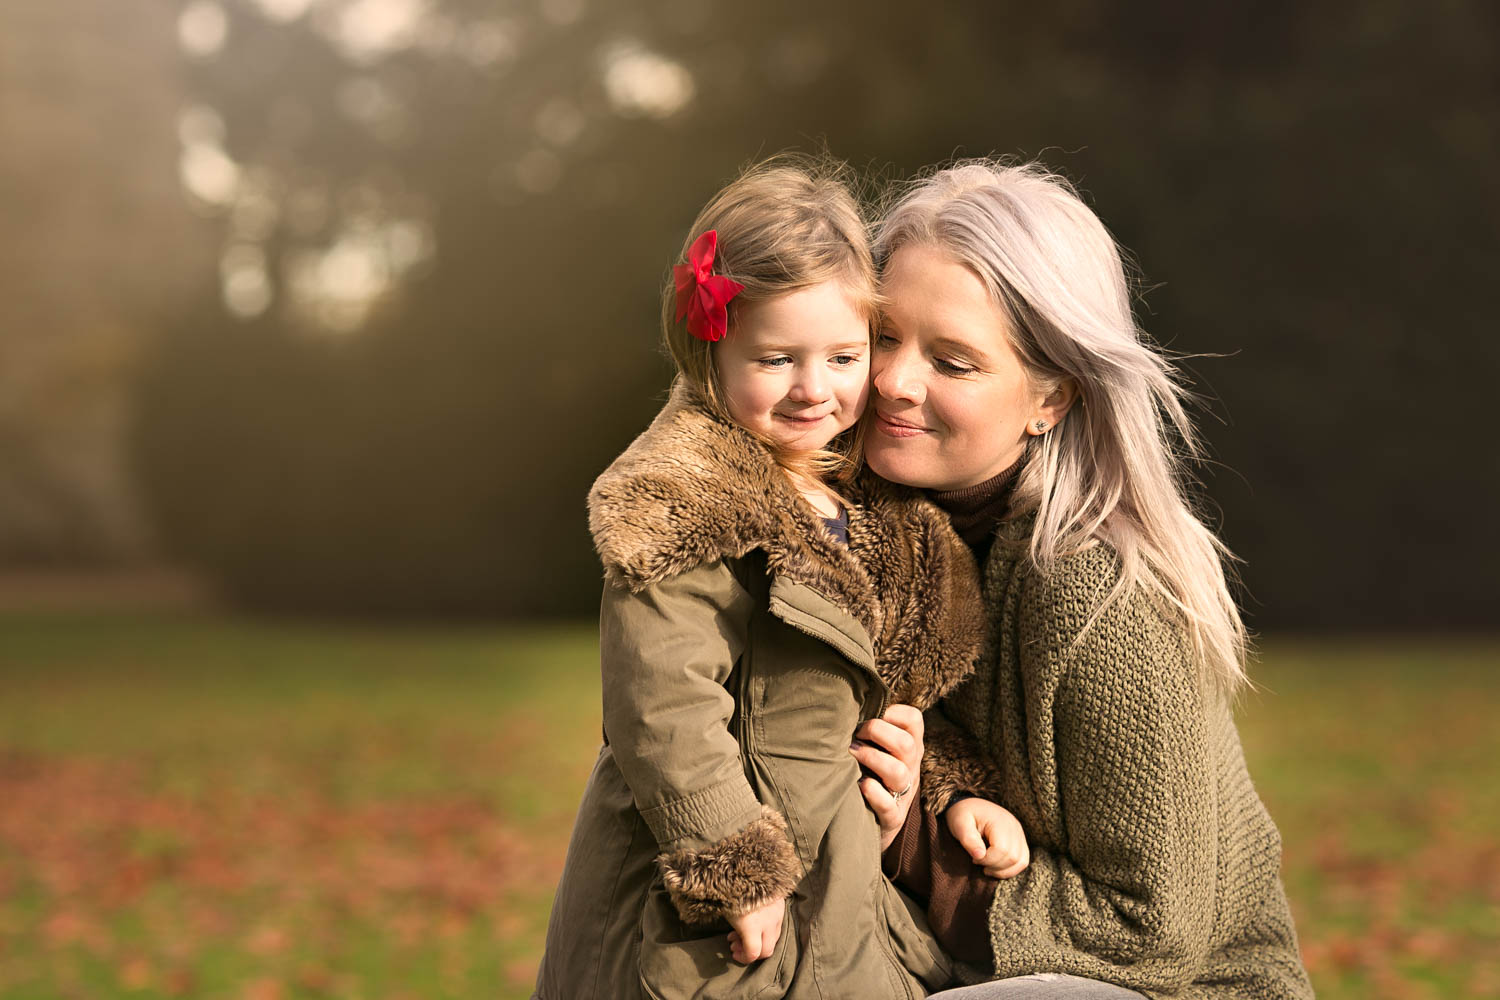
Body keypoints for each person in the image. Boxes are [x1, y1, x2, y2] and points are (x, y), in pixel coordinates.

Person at [531, 155, 988, 1000]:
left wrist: (954, 794)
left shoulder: (869, 503)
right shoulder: (684, 499)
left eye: (846, 357)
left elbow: (900, 689)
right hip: (709, 898)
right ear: (712, 351)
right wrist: (733, 866)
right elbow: (662, 706)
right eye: (776, 359)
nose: (815, 389)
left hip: (841, 881)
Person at [856, 161, 1316, 999]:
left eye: (953, 362)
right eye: (885, 334)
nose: (894, 380)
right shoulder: (866, 531)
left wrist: (913, 846)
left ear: (1051, 398)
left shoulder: (1096, 592)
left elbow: (1154, 931)